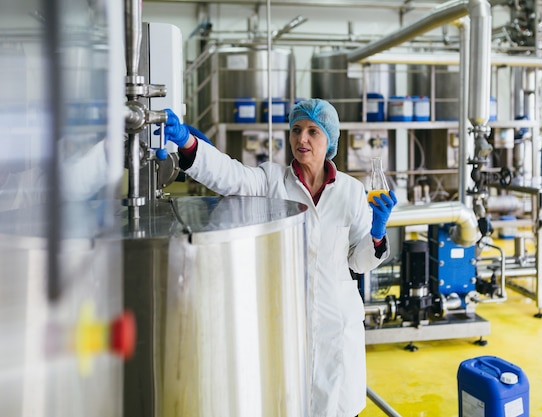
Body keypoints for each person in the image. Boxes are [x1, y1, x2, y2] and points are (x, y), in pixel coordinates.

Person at [157, 98, 397, 417]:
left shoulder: (351, 192)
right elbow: (230, 176)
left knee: (337, 407)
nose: (302, 139)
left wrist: (377, 235)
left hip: (335, 326)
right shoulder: (272, 181)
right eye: (296, 130)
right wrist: (188, 142)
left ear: (330, 140)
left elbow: (359, 262)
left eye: (313, 131)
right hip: (286, 321)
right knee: (285, 402)